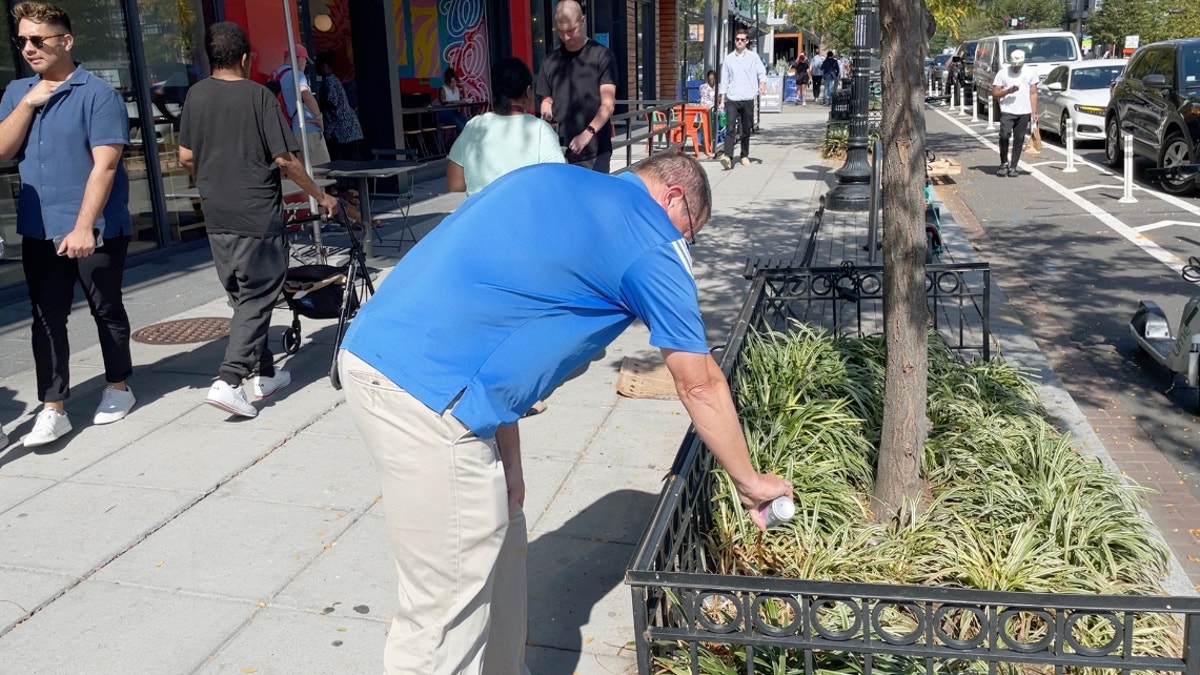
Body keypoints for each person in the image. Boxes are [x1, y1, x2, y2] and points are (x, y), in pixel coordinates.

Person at [337, 152, 793, 675]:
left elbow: (499, 309)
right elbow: (700, 383)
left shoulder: (551, 180)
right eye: (691, 233)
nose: (685, 247)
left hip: (395, 360)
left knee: (500, 547)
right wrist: (750, 482)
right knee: (443, 610)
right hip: (425, 392)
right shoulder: (649, 238)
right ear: (673, 197)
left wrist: (508, 456)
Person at [178, 21, 338, 418]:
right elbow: (285, 159)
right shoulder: (258, 97)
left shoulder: (195, 96)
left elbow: (184, 158)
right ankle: (230, 380)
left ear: (210, 57)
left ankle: (264, 373)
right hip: (256, 214)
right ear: (246, 59)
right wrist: (320, 195)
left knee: (243, 298)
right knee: (258, 295)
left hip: (216, 214)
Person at [0, 1, 137, 447]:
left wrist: (84, 226)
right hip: (38, 227)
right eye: (21, 40)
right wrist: (28, 103)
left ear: (66, 40)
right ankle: (53, 406)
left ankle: (118, 386)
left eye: (38, 39)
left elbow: (105, 167)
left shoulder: (98, 94)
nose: (28, 48)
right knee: (46, 318)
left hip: (93, 228)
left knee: (105, 309)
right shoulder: (18, 91)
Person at [447, 57, 564, 196]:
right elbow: (556, 179)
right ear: (528, 91)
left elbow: (455, 183)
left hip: (482, 215)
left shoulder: (474, 125)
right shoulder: (540, 129)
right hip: (524, 214)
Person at [536, 0, 618, 173]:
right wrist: (547, 110)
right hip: (559, 151)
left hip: (595, 150)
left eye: (571, 31)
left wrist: (587, 134)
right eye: (560, 31)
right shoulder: (550, 60)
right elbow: (546, 98)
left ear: (582, 21)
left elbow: (608, 104)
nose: (566, 37)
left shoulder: (602, 55)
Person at [269, 44, 330, 169]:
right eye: (305, 62)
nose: (305, 66)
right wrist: (319, 118)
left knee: (299, 176)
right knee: (320, 172)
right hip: (307, 130)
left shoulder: (275, 75)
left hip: (289, 133)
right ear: (299, 59)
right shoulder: (297, 74)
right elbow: (306, 96)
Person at [718, 29, 766, 170]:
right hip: (732, 98)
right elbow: (724, 80)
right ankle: (728, 156)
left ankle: (744, 154)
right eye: (737, 39)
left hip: (747, 97)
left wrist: (762, 84)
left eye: (742, 39)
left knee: (746, 129)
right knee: (730, 128)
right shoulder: (728, 59)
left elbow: (761, 71)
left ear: (747, 41)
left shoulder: (753, 57)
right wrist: (722, 100)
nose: (739, 41)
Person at [991, 49, 1039, 178]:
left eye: (1019, 65)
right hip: (1007, 110)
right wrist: (1007, 91)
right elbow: (995, 93)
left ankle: (1013, 166)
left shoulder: (1030, 72)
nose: (1016, 67)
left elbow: (1033, 93)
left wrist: (1034, 112)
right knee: (1004, 136)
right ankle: (1003, 163)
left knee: (1019, 139)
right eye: (1014, 65)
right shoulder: (1003, 73)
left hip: (1024, 111)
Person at [314, 51, 363, 161]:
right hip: (349, 128)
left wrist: (318, 105)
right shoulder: (333, 79)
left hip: (343, 130)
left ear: (324, 65)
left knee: (346, 162)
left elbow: (333, 103)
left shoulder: (329, 81)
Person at [437, 67, 469, 134]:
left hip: (454, 113)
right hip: (444, 114)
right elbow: (443, 102)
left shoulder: (456, 89)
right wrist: (455, 102)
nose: (454, 84)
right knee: (459, 124)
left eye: (455, 81)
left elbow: (464, 100)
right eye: (452, 82)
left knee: (467, 122)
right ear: (447, 81)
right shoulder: (443, 89)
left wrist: (464, 90)